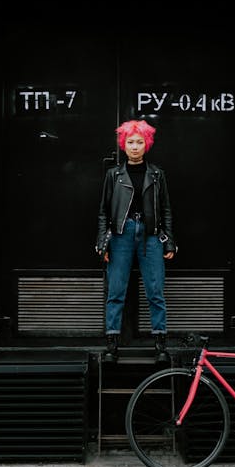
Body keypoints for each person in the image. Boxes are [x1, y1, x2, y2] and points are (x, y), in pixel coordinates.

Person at [96, 119, 176, 363]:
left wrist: (169, 241)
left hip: (150, 234)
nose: (134, 146)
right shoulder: (114, 174)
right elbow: (104, 211)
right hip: (121, 234)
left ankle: (160, 344)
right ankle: (112, 345)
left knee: (155, 290)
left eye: (139, 142)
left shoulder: (157, 174)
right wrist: (103, 242)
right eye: (130, 142)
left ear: (146, 144)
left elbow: (166, 209)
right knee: (116, 290)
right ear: (123, 144)